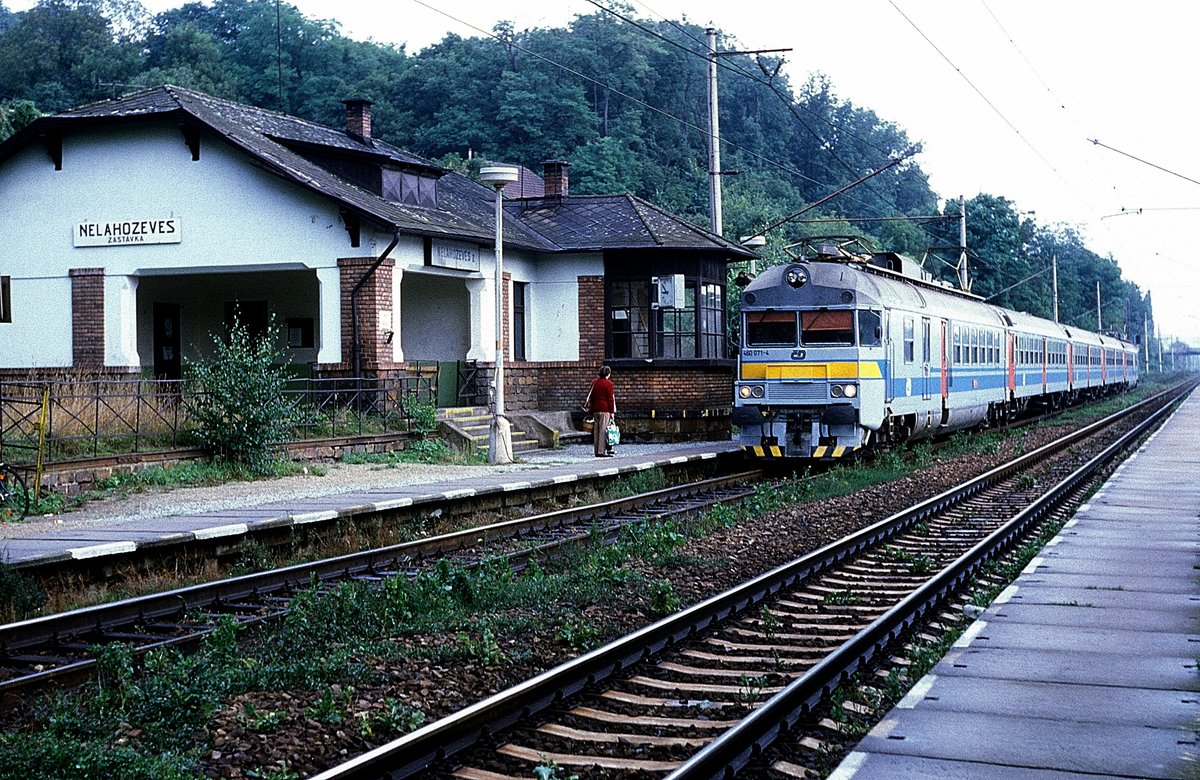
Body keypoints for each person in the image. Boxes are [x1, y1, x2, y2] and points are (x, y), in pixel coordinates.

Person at [584, 365, 616, 457]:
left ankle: (596, 450)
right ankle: (601, 451)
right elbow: (610, 399)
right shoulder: (609, 384)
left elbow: (592, 397)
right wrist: (612, 412)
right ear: (608, 373)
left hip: (595, 409)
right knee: (603, 430)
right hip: (604, 409)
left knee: (596, 431)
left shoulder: (595, 382)